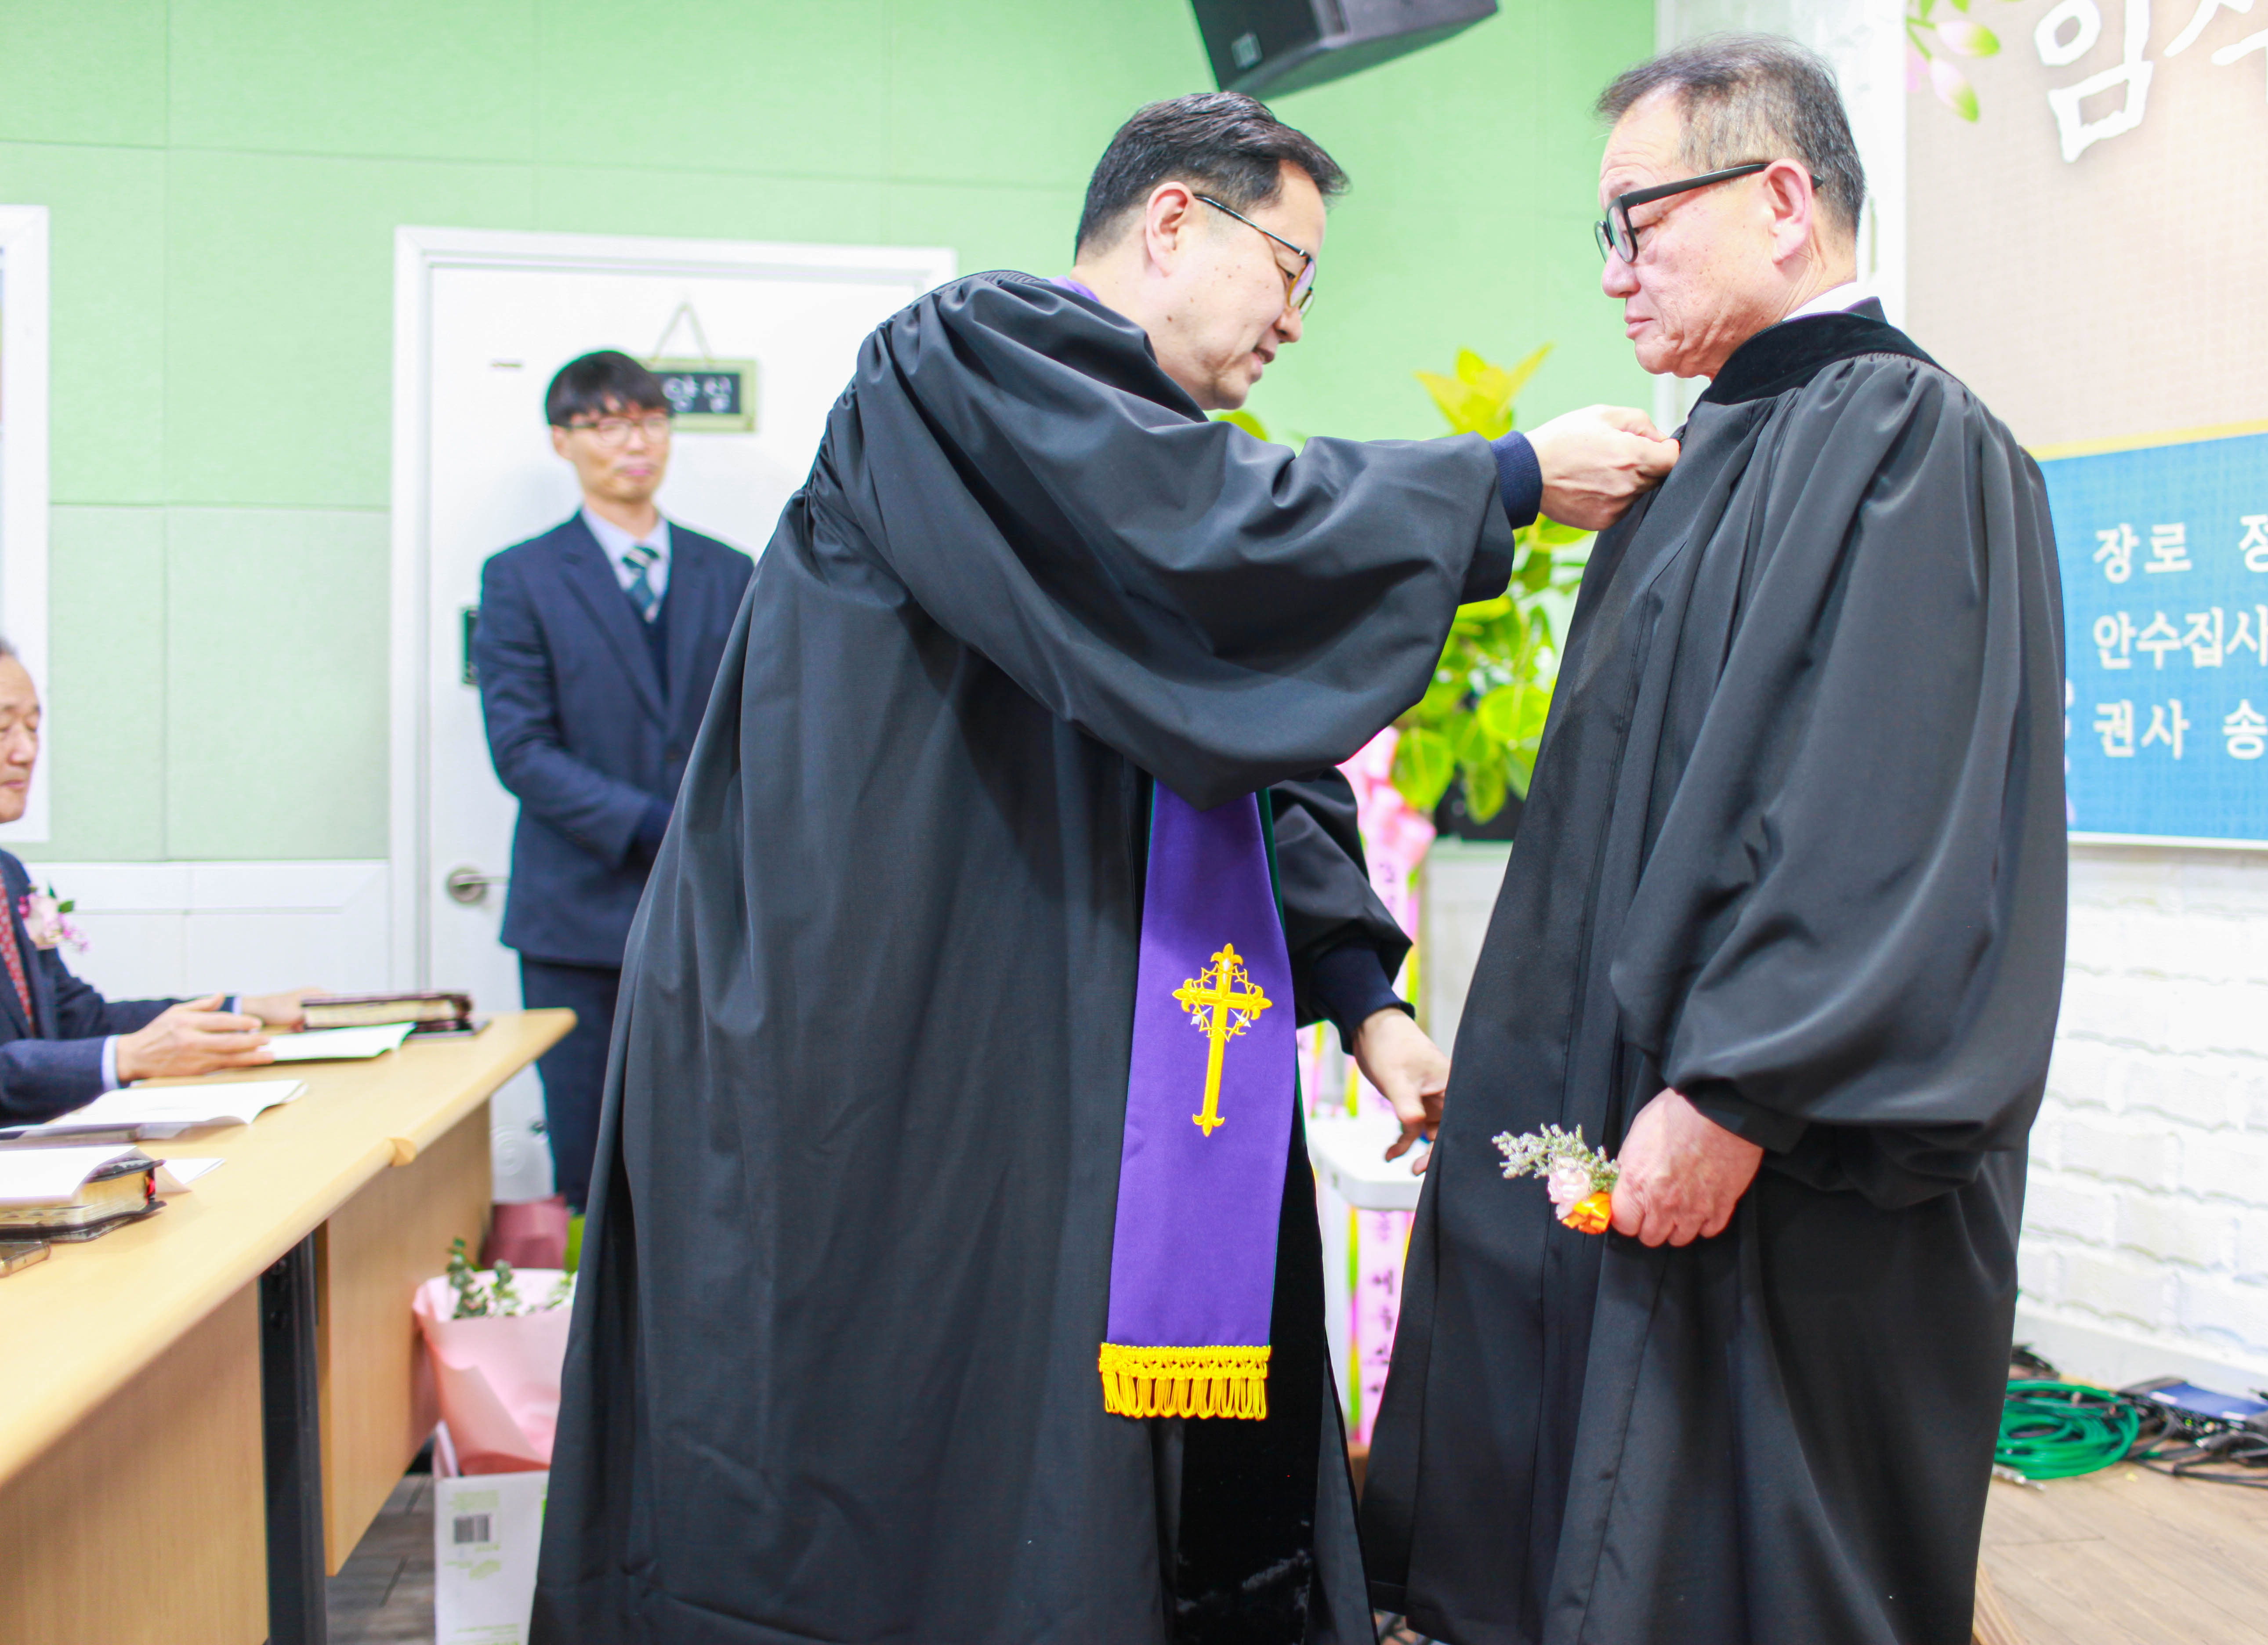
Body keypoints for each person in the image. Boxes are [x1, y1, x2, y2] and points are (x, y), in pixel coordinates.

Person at [535, 93, 1673, 1645]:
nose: (1296, 319)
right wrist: (1503, 480)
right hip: (872, 1042)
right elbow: (1198, 543)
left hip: (1039, 1044)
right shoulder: (962, 360)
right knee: (878, 1467)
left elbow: (1231, 737)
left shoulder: (1145, 466)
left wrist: (1365, 1002)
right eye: (1292, 269)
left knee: (1061, 1472)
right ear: (1173, 220)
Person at [1362, 37, 2066, 1645]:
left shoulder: (1907, 439)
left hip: (1773, 1150)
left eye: (1640, 220)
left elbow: (1884, 814)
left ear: (1782, 200)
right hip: (1641, 1114)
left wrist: (1741, 1087)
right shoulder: (1697, 465)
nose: (1615, 271)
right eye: (1602, 232)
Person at [469, 351, 754, 1212]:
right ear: (563, 441)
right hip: (574, 919)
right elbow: (522, 751)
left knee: (714, 1146)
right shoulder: (519, 577)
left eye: (651, 421)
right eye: (606, 424)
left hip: (711, 910)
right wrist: (660, 824)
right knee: (590, 1154)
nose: (636, 442)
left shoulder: (731, 571)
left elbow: (759, 729)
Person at [0, 639, 321, 1124]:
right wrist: (125, 1058)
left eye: (33, 727)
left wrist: (244, 1010)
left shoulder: (10, 874)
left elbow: (75, 1019)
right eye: (3, 728)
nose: (26, 752)